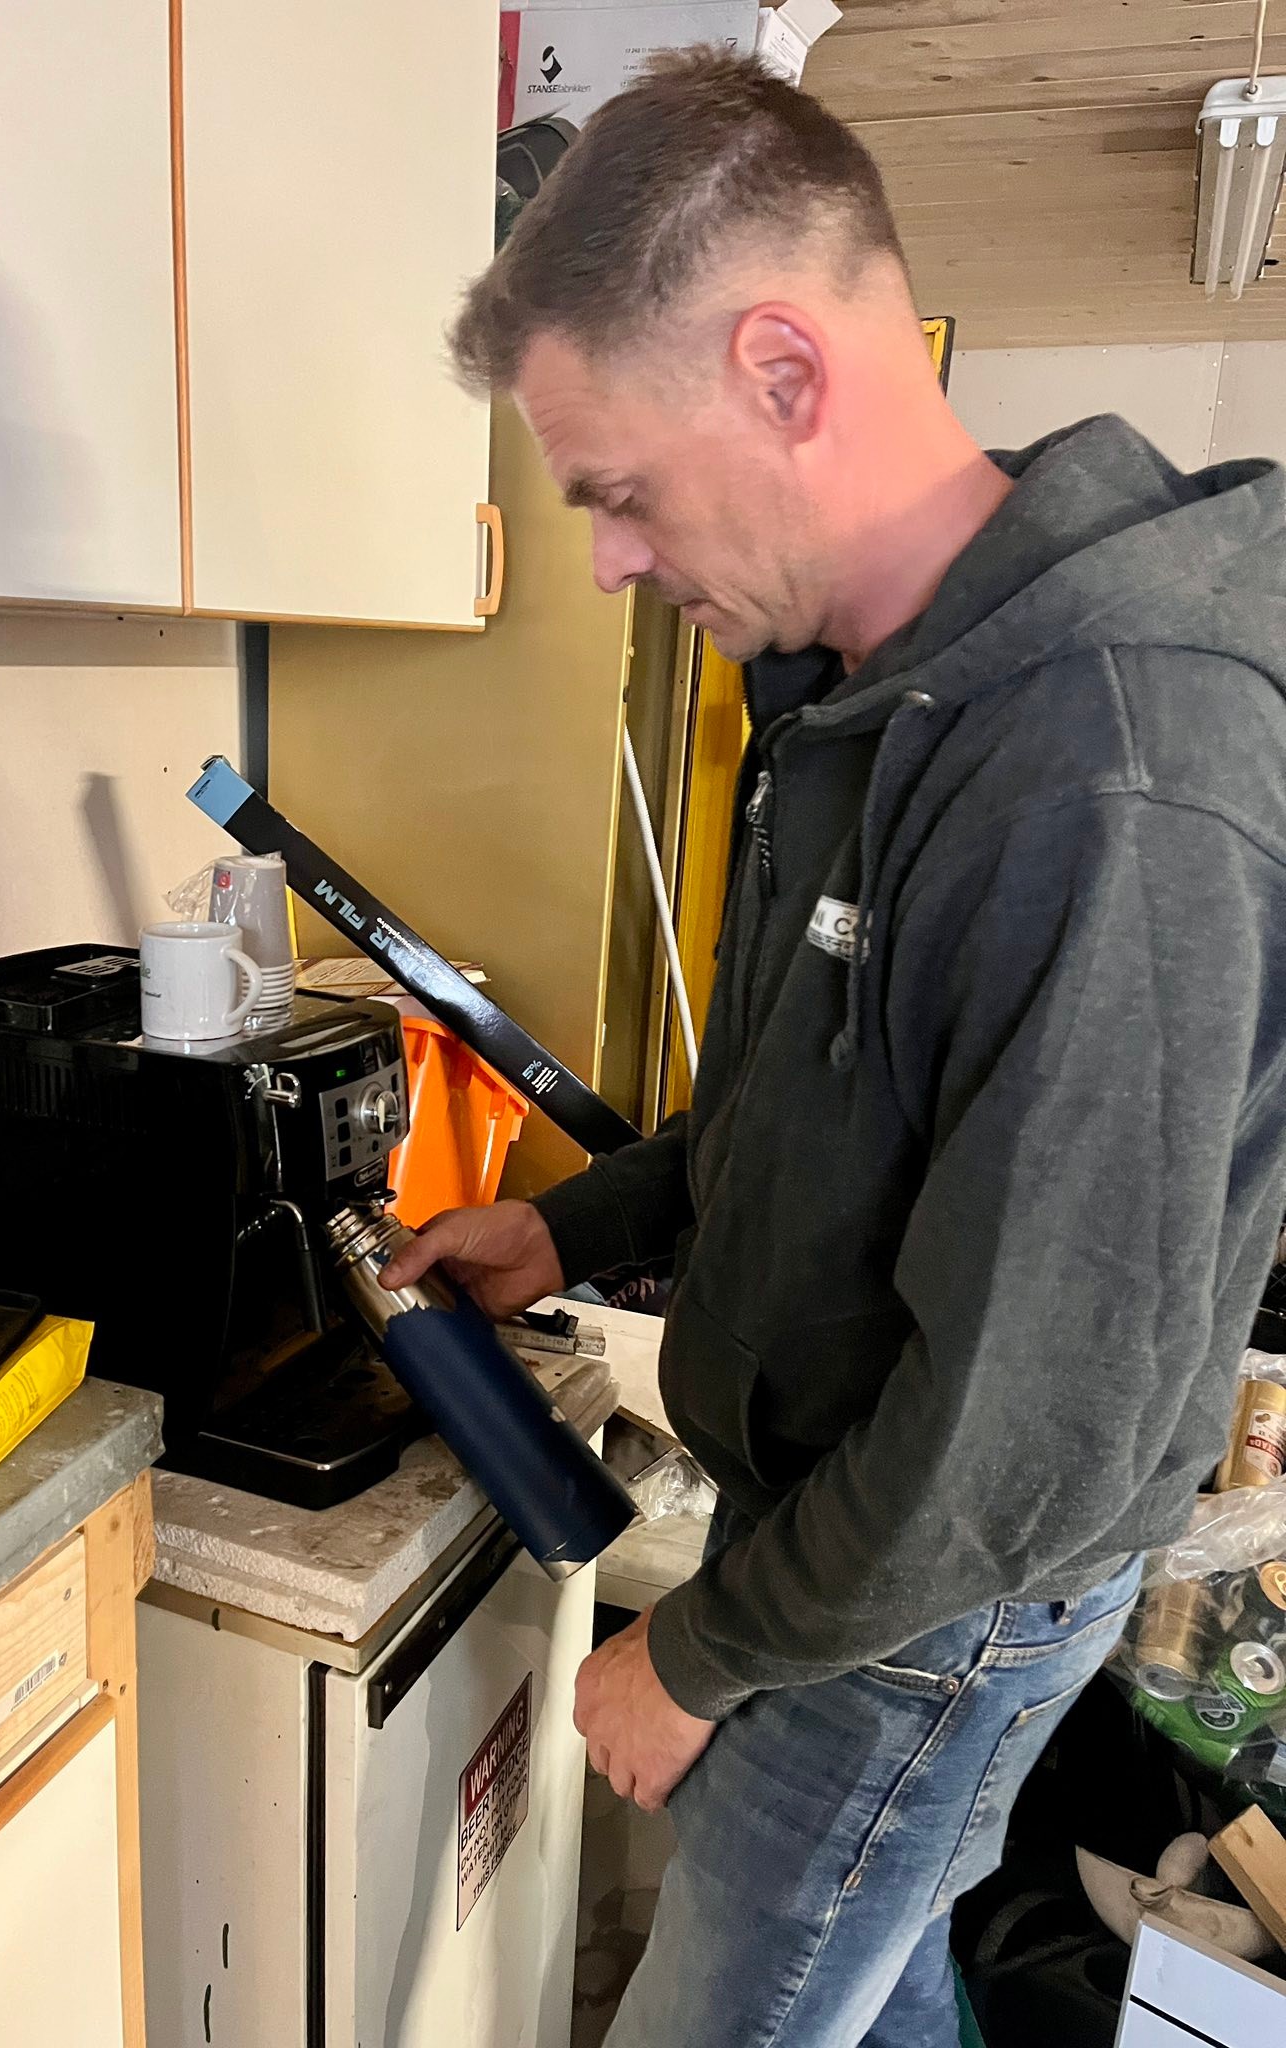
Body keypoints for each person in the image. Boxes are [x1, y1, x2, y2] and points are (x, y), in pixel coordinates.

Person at [379, 48, 1286, 2048]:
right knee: (869, 1995)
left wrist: (698, 1654)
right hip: (851, 1537)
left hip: (930, 1598)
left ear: (783, 371)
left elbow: (1033, 1430)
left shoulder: (1107, 766)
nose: (607, 560)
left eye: (618, 490)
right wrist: (574, 1223)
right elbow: (815, 1101)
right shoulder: (865, 693)